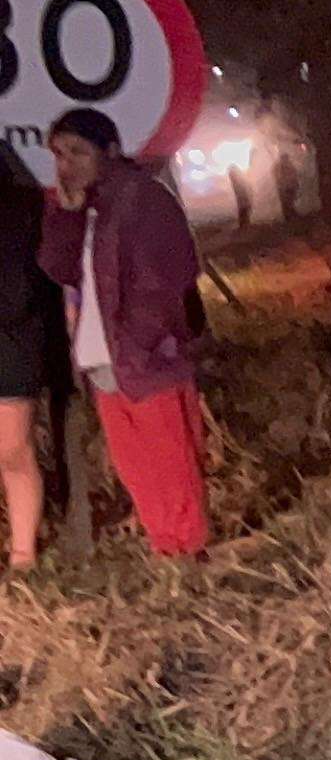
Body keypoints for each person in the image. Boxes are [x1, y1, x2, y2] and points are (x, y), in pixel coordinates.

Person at [38, 108, 210, 559]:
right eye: (59, 154)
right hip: (102, 356)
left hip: (146, 355)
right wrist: (67, 215)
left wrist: (144, 340)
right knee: (135, 462)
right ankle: (164, 546)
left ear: (110, 151)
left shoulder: (143, 199)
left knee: (170, 458)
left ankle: (189, 550)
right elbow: (58, 268)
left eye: (78, 152)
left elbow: (168, 277)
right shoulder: (86, 206)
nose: (66, 164)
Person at [0, 147, 57, 569]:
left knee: (12, 450)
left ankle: (23, 554)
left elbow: (18, 293)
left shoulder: (17, 216)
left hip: (10, 347)